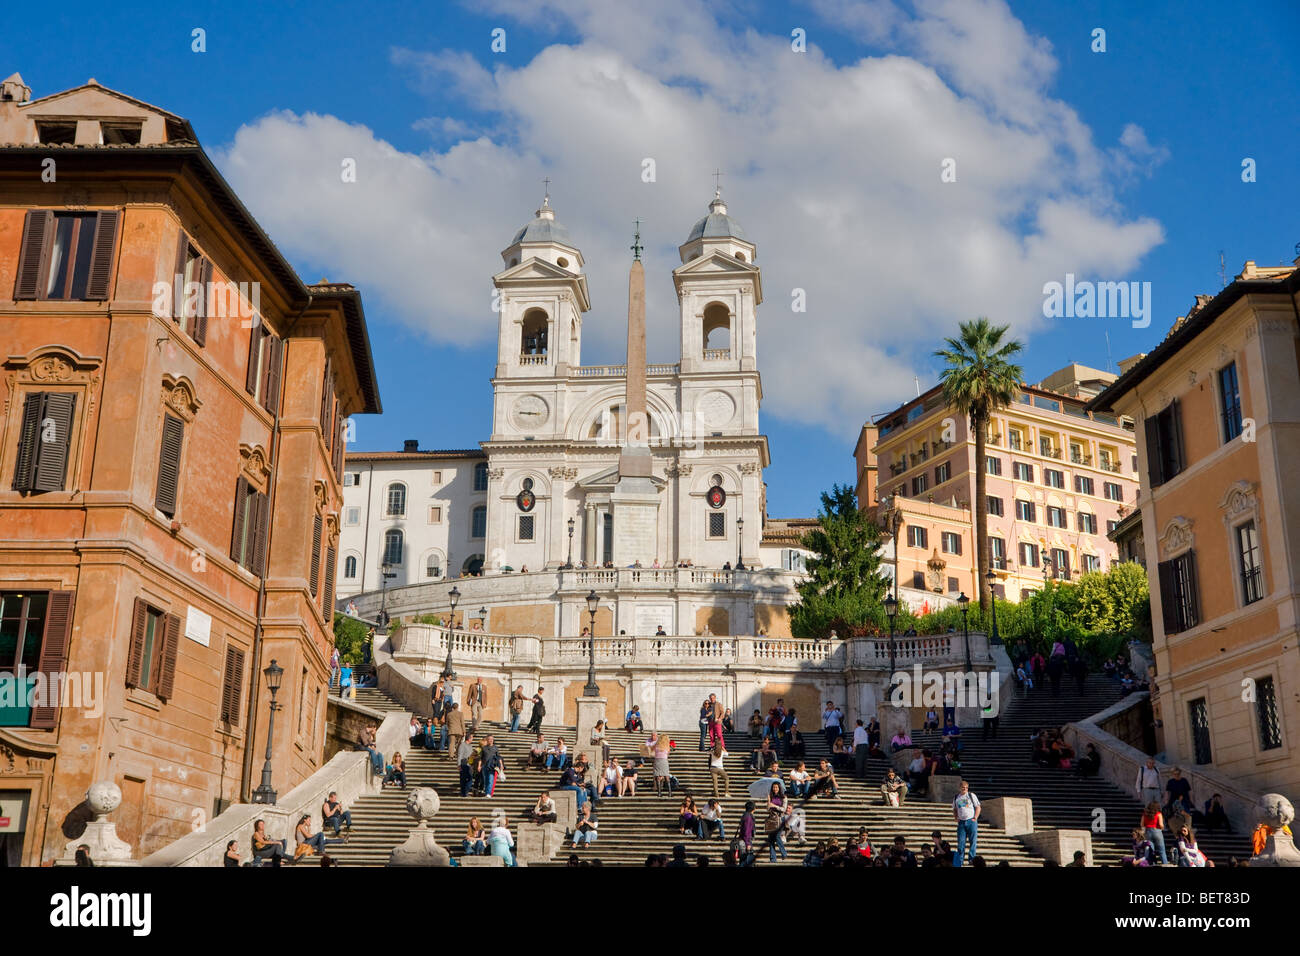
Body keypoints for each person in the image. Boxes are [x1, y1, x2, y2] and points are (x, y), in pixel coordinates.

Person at [952, 780, 981, 867]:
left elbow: (978, 807)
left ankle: (971, 859)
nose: (965, 789)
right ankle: (960, 861)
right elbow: (954, 808)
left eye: (966, 788)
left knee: (973, 841)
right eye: (963, 788)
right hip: (961, 822)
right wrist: (956, 817)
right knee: (961, 843)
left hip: (971, 821)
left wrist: (975, 817)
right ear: (960, 788)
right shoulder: (957, 797)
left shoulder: (971, 796)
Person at [764, 783, 788, 862]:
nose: (775, 789)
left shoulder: (784, 797)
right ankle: (773, 858)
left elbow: (784, 809)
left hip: (780, 819)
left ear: (779, 788)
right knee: (770, 839)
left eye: (776, 787)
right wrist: (768, 801)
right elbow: (767, 809)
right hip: (772, 820)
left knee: (777, 836)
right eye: (774, 787)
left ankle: (784, 853)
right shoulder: (771, 797)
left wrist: (774, 806)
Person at [651, 732, 673, 796]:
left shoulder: (656, 745)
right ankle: (669, 793)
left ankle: (659, 793)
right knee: (666, 775)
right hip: (664, 761)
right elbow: (667, 753)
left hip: (657, 760)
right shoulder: (667, 746)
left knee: (657, 776)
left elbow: (652, 750)